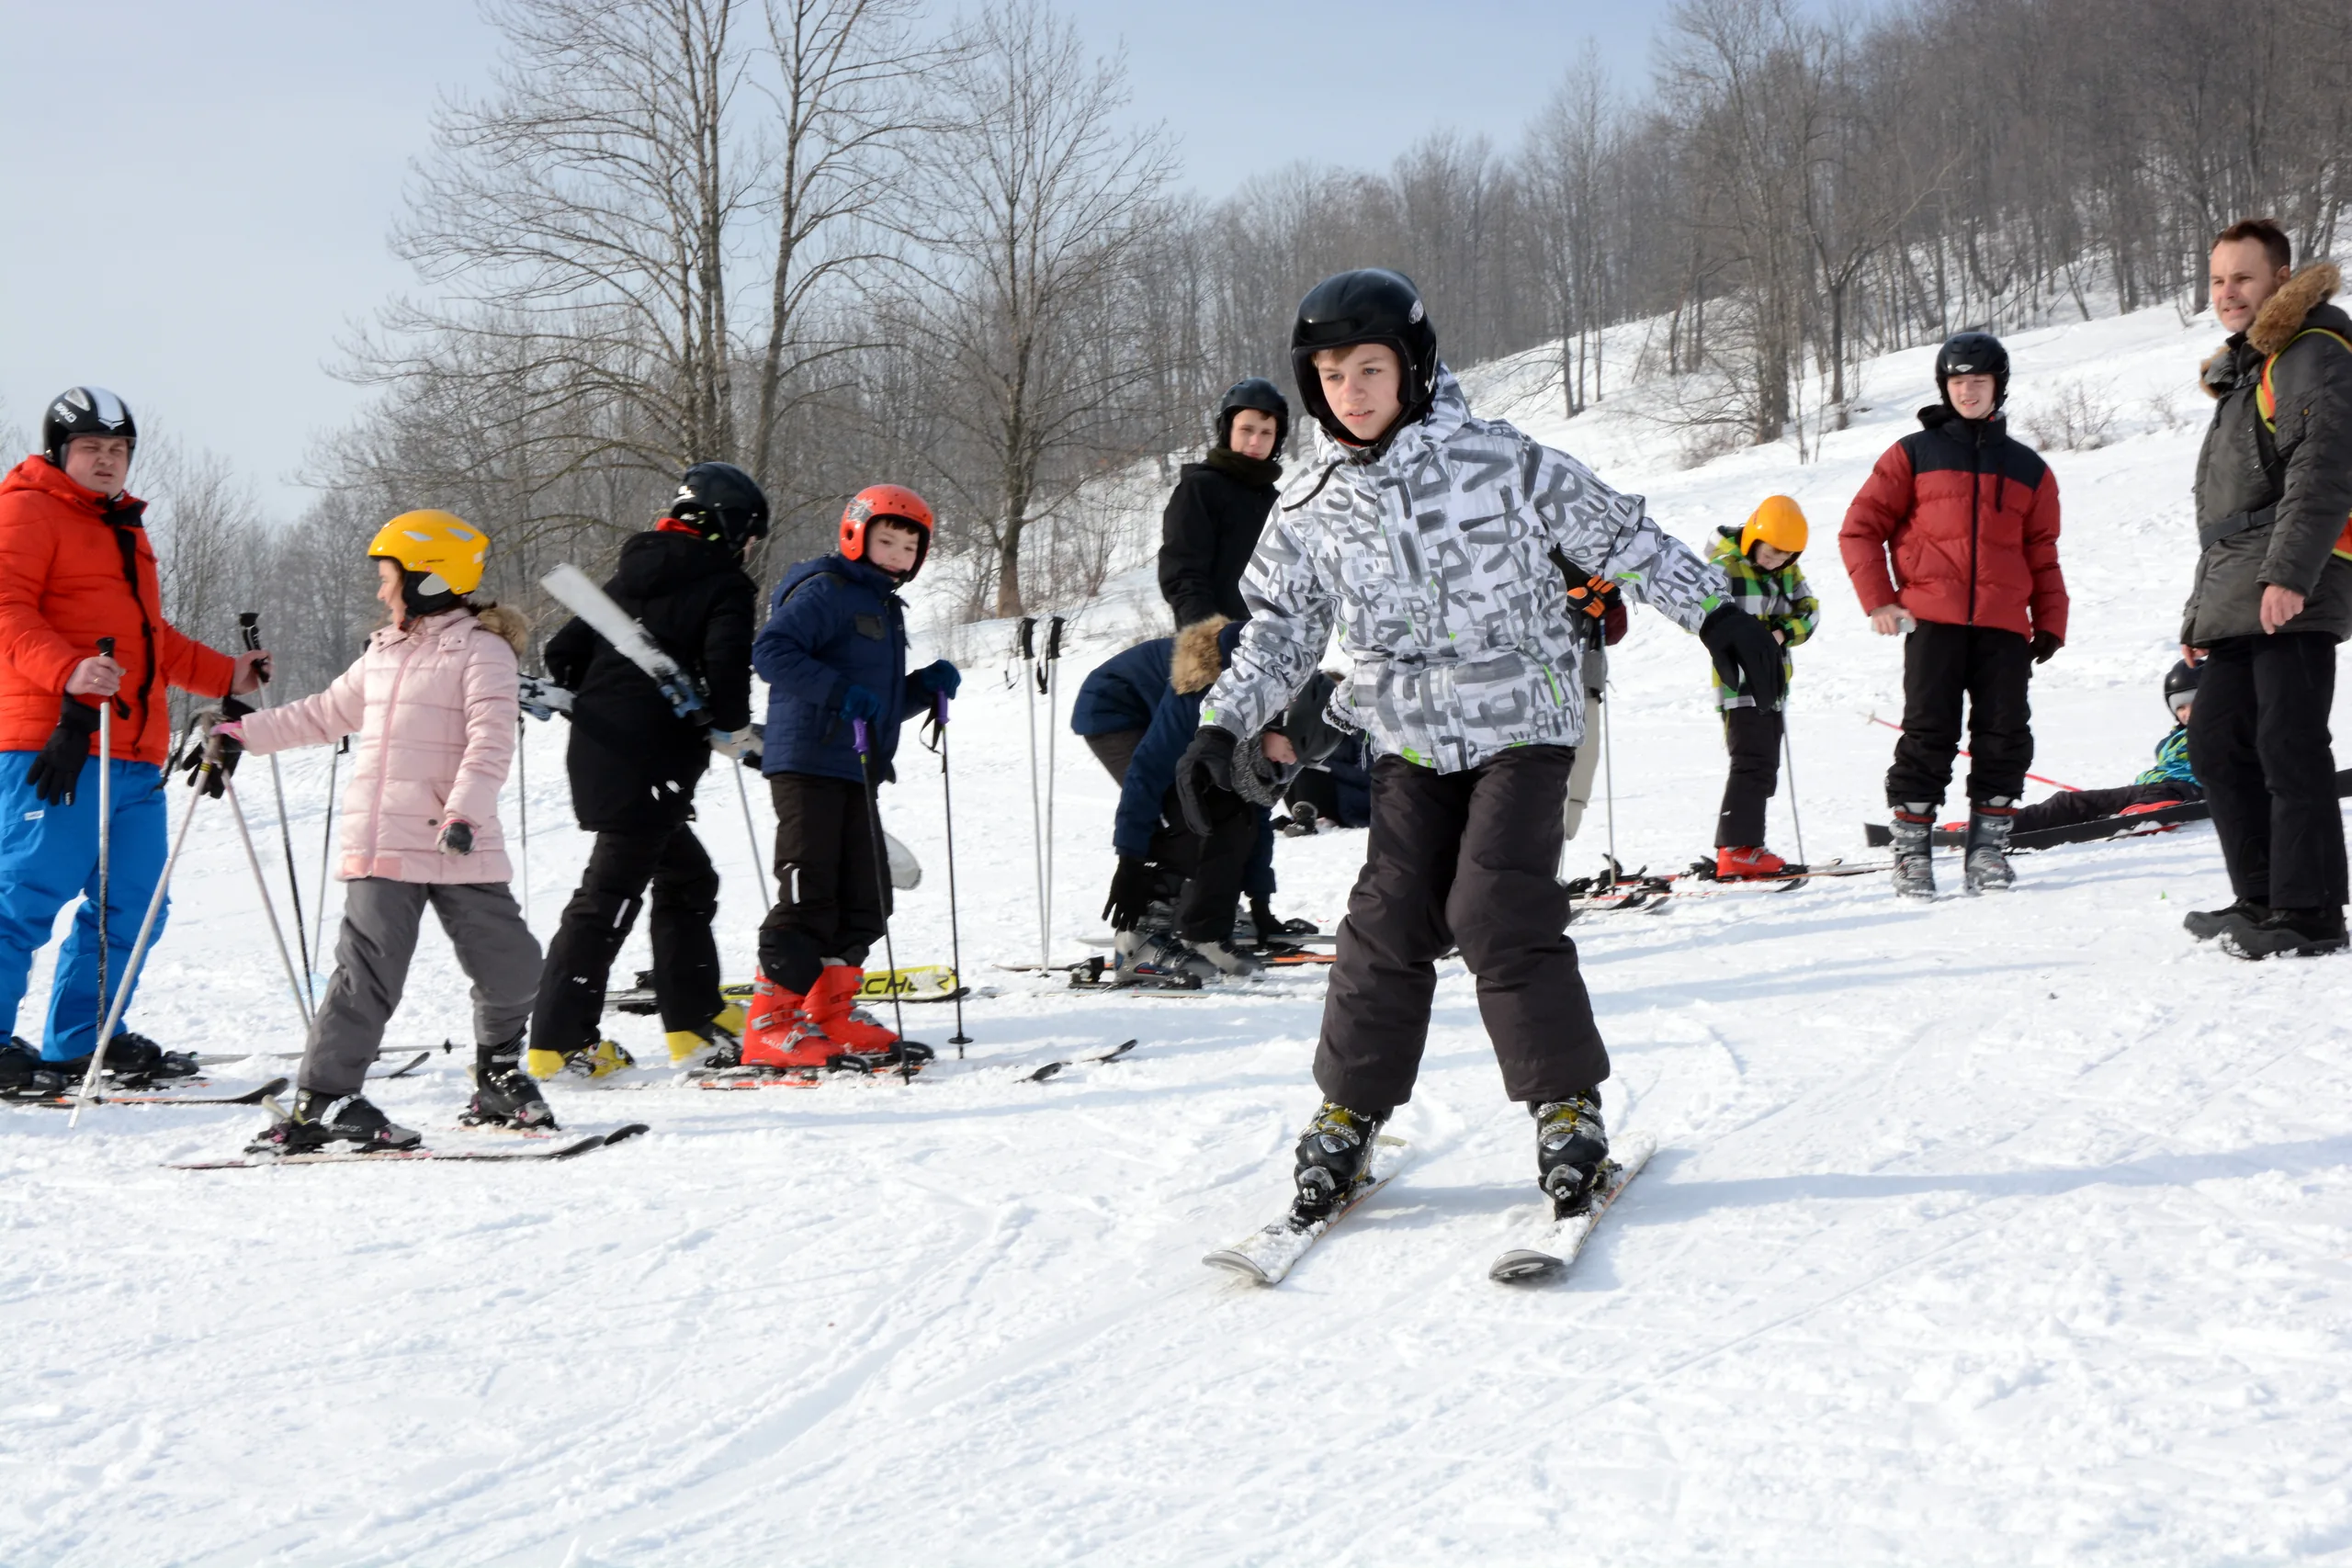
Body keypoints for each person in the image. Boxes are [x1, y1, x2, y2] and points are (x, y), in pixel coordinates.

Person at [1177, 268, 1779, 1224]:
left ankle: (1565, 1106)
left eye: (1370, 369)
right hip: (1406, 738)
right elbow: (1279, 634)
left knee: (1495, 903)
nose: (1352, 392)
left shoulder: (1503, 463)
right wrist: (1218, 728)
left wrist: (1716, 615)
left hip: (1522, 724)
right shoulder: (1309, 507)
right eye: (1330, 377)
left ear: (1412, 368)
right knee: (1386, 916)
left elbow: (1625, 538)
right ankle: (1348, 1112)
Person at [225, 511, 545, 1151]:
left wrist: (463, 813)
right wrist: (237, 732)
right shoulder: (383, 651)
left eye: (388, 576)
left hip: (459, 836)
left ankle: (499, 1073)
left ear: (428, 577)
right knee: (367, 975)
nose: (380, 590)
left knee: (514, 964)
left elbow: (489, 742)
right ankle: (325, 1096)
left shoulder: (483, 652)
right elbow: (322, 714)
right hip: (384, 844)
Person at [0, 388, 270, 1097]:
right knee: (24, 898)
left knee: (133, 905)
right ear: (61, 452)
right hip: (51, 742)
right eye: (92, 448)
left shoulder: (124, 527)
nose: (107, 461)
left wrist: (225, 672)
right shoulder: (25, 508)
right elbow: (6, 610)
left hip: (132, 748)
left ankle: (81, 1040)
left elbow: (151, 638)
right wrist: (69, 668)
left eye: (119, 450)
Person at [527, 464, 763, 1081]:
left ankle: (693, 1016)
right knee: (607, 898)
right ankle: (558, 1039)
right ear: (730, 526)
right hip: (653, 763)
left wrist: (613, 701)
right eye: (750, 534)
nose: (750, 548)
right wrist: (727, 720)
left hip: (601, 751)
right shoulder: (725, 585)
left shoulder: (629, 578)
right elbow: (729, 675)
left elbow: (564, 653)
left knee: (689, 879)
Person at [1839, 331, 2068, 898]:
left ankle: (1988, 849)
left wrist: (2052, 621)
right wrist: (1880, 600)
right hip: (1931, 621)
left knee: (2005, 734)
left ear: (1999, 387)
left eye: (1979, 381)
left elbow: (2042, 552)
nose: (1968, 392)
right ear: (1946, 387)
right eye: (1958, 382)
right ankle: (1912, 852)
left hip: (2004, 626)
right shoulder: (1913, 454)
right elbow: (1860, 529)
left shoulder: (2028, 469)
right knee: (1929, 733)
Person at [2178, 219, 2352, 959]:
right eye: (2218, 280)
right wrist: (2199, 613)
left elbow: (2322, 467)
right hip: (2241, 585)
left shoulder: (2311, 352)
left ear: (2280, 279)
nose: (2227, 293)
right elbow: (2224, 513)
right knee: (2217, 741)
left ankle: (2310, 911)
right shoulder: (2250, 368)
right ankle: (2261, 895)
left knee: (2287, 740)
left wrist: (2289, 574)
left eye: (2243, 278)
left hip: (2297, 576)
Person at [740, 485, 959, 1068]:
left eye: (909, 548)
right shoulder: (827, 591)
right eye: (886, 540)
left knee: (866, 897)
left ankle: (829, 1015)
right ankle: (769, 1024)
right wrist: (841, 694)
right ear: (857, 535)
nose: (896, 555)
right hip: (809, 762)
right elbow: (772, 653)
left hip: (854, 768)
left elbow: (872, 703)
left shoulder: (883, 607)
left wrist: (921, 688)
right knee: (810, 892)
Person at [1102, 618, 1296, 978]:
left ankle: (1203, 925)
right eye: (1291, 750)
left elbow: (1257, 809)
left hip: (1175, 704)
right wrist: (1128, 862)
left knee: (1235, 810)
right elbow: (1146, 772)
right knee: (1184, 811)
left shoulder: (1269, 697)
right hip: (1116, 707)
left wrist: (1260, 902)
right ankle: (1140, 938)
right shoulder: (1200, 697)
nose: (1291, 761)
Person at [1707, 496, 1818, 878]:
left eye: (1788, 556)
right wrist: (1747, 637)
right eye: (1773, 553)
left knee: (1765, 765)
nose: (1779, 562)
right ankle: (1736, 848)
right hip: (1738, 683)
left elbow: (1810, 612)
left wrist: (1783, 632)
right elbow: (1704, 614)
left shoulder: (1790, 574)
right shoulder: (1725, 569)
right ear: (1755, 538)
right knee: (1751, 762)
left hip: (1774, 683)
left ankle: (1748, 845)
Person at [2014, 661, 2200, 835]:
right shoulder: (2171, 742)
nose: (2188, 712)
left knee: (2161, 794)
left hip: (2188, 789)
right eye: (2181, 707)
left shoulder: (2220, 731)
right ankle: (2009, 824)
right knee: (2070, 802)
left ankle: (2141, 815)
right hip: (2148, 787)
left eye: (2195, 702)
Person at [1159, 378, 1288, 631]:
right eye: (1246, 430)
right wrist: (1208, 638)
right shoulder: (1200, 489)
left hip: (1272, 646)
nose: (1255, 441)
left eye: (1266, 433)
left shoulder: (1278, 502)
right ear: (1227, 430)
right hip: (1217, 644)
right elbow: (1182, 574)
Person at [1069, 637, 1172, 784]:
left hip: (1133, 705)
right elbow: (1178, 723)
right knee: (1158, 791)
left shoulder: (1204, 652)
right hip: (1107, 714)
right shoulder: (1200, 665)